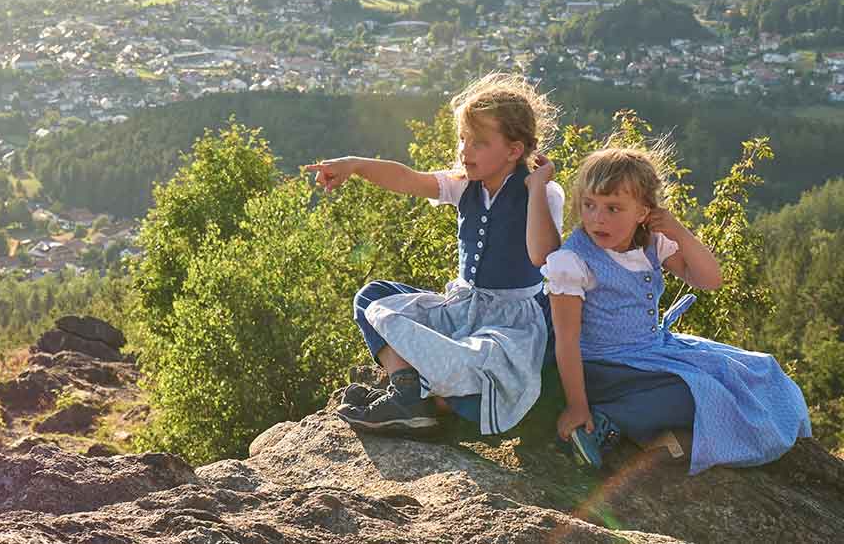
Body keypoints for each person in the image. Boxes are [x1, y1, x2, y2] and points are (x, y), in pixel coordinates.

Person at [306, 73, 563, 436]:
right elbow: (408, 179)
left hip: (509, 322)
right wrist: (355, 164)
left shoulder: (544, 194)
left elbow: (542, 256)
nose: (464, 151)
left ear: (514, 150)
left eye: (478, 143)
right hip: (462, 307)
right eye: (462, 140)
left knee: (484, 365)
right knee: (372, 298)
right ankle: (408, 391)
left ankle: (433, 402)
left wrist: (537, 187)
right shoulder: (465, 186)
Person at [543, 145, 812, 474]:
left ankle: (655, 434)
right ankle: (606, 420)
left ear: (643, 212)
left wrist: (679, 231)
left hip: (651, 352)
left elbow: (709, 279)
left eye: (613, 208)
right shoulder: (572, 261)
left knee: (754, 371)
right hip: (604, 367)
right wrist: (576, 404)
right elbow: (567, 339)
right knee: (696, 392)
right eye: (589, 205)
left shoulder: (652, 243)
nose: (598, 218)